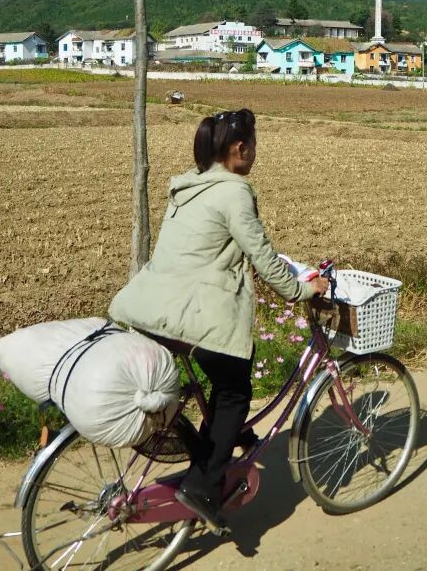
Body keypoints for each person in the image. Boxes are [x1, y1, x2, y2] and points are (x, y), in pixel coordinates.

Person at [109, 108, 328, 532]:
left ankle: (226, 440)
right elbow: (262, 256)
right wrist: (302, 290)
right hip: (189, 314)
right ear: (239, 148)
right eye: (254, 144)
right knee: (234, 392)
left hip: (150, 307)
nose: (256, 151)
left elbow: (215, 249)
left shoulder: (189, 186)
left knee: (225, 372)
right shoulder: (234, 192)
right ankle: (202, 487)